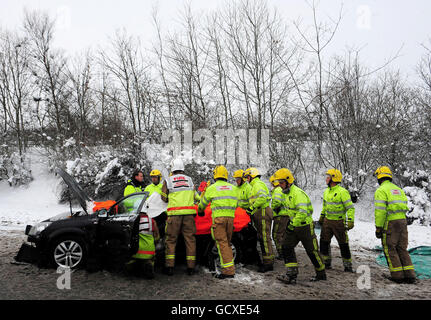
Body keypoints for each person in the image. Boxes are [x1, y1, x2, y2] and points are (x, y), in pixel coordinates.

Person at [274, 168, 326, 284]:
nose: (280, 185)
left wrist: (292, 224)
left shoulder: (297, 193)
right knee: (286, 246)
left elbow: (303, 212)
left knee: (312, 251)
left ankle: (321, 274)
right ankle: (291, 274)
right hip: (294, 225)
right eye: (279, 183)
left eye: (281, 183)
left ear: (288, 181)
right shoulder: (285, 194)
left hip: (305, 226)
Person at [374, 166, 416, 284]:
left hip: (391, 223)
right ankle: (410, 275)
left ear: (379, 177)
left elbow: (380, 211)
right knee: (402, 248)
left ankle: (397, 275)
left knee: (390, 248)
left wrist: (378, 227)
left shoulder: (381, 190)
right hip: (403, 221)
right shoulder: (398, 189)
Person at [160, 158, 200, 276]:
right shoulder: (190, 180)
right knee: (190, 240)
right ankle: (191, 268)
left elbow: (164, 198)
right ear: (182, 168)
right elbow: (195, 196)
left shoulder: (168, 180)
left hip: (174, 215)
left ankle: (169, 267)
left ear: (172, 168)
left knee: (171, 240)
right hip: (189, 216)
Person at [198, 165, 238, 279]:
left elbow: (202, 203)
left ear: (215, 176)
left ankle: (228, 271)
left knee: (222, 244)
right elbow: (237, 204)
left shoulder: (212, 188)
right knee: (227, 244)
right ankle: (229, 268)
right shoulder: (233, 188)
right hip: (231, 219)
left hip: (218, 220)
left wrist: (200, 211)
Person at [318, 169, 355, 272]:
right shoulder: (326, 192)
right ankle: (326, 263)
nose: (326, 179)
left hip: (339, 222)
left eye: (328, 177)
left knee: (343, 244)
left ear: (334, 178)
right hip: (327, 221)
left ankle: (347, 266)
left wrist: (350, 220)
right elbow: (325, 206)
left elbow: (350, 208)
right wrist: (322, 216)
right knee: (324, 242)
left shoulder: (342, 192)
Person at [243, 167, 274, 273]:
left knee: (265, 238)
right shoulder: (254, 186)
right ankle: (268, 260)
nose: (247, 180)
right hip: (260, 212)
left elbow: (262, 198)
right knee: (262, 237)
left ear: (252, 176)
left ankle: (268, 264)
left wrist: (251, 208)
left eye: (247, 177)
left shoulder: (257, 184)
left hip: (263, 212)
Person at [127, 209, 160, 279]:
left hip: (136, 251)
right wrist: (155, 242)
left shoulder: (133, 221)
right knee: (151, 259)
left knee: (131, 260)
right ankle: (149, 264)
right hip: (149, 251)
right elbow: (157, 237)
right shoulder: (152, 221)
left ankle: (134, 266)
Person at [270, 175, 289, 260]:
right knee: (283, 235)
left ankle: (281, 253)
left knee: (276, 235)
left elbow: (277, 202)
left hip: (280, 216)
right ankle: (286, 252)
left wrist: (273, 208)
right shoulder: (282, 189)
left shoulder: (277, 190)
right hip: (286, 215)